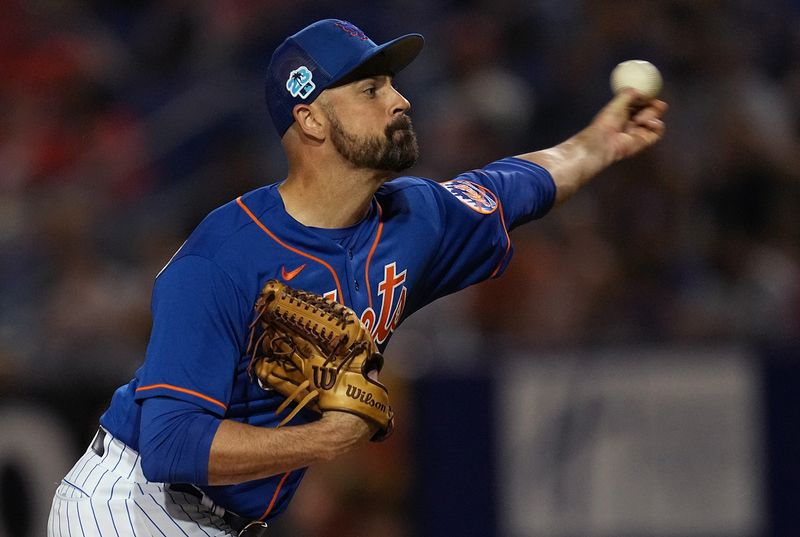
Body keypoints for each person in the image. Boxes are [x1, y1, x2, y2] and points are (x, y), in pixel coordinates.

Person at [47, 18, 667, 537]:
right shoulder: (222, 257)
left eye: (392, 85)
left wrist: (602, 141)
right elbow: (171, 447)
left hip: (222, 521)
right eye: (370, 89)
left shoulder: (414, 217)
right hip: (126, 508)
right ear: (312, 120)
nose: (400, 100)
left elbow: (520, 186)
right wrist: (324, 440)